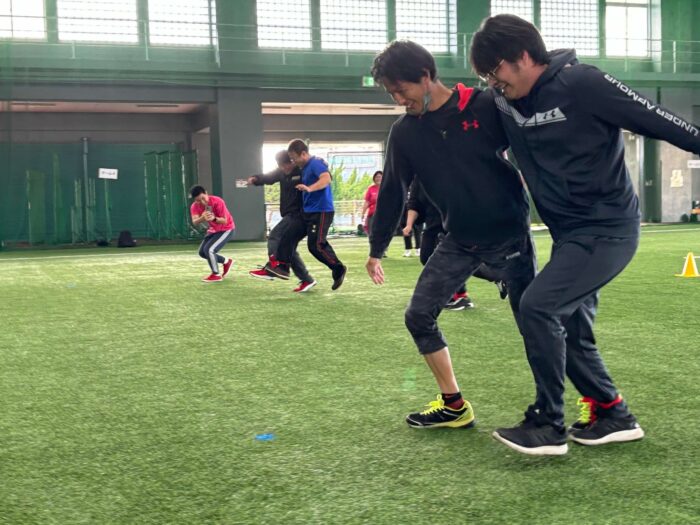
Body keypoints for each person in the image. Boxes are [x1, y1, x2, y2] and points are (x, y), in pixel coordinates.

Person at [470, 14, 700, 454]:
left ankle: (548, 423)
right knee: (569, 326)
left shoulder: (583, 83)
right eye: (486, 77)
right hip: (568, 236)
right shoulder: (502, 102)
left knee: (538, 306)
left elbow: (662, 122)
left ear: (523, 56)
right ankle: (614, 414)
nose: (493, 83)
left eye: (495, 71)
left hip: (608, 229)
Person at [366, 40, 536, 436]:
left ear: (425, 76)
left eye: (401, 90)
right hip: (459, 239)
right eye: (391, 94)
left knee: (535, 324)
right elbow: (392, 190)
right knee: (418, 315)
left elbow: (533, 150)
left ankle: (577, 405)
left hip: (510, 237)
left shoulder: (485, 105)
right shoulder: (405, 133)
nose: (398, 100)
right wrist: (376, 249)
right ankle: (453, 405)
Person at [265, 139, 347, 291]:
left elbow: (326, 179)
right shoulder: (302, 167)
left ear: (303, 154)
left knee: (315, 246)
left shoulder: (316, 163)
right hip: (307, 212)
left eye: (294, 158)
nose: (293, 161)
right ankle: (282, 267)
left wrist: (310, 188)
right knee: (288, 236)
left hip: (321, 211)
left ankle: (338, 268)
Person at [247, 150, 317, 293]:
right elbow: (268, 177)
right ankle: (306, 279)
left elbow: (320, 178)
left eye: (286, 165)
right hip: (289, 215)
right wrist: (256, 178)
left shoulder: (303, 171)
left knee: (275, 236)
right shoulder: (280, 172)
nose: (284, 168)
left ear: (292, 161)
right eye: (281, 166)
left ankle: (275, 266)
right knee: (289, 247)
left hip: (300, 215)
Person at [403, 177, 474, 311]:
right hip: (432, 224)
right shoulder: (418, 180)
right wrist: (409, 224)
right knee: (426, 257)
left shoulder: (446, 172)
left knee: (450, 260)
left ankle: (461, 296)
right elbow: (414, 204)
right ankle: (496, 277)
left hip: (452, 223)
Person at [189, 185, 234, 283]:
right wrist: (202, 218)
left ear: (206, 193)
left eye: (203, 198)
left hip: (226, 229)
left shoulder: (218, 201)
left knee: (209, 250)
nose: (202, 202)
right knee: (202, 253)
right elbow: (195, 222)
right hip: (213, 230)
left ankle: (216, 274)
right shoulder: (194, 206)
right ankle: (226, 261)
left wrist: (214, 218)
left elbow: (224, 221)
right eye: (198, 200)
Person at [361, 170, 383, 238]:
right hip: (372, 215)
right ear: (374, 179)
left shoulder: (386, 188)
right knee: (371, 234)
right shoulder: (370, 189)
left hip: (383, 215)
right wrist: (363, 213)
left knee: (382, 234)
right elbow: (366, 202)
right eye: (376, 177)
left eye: (380, 177)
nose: (378, 179)